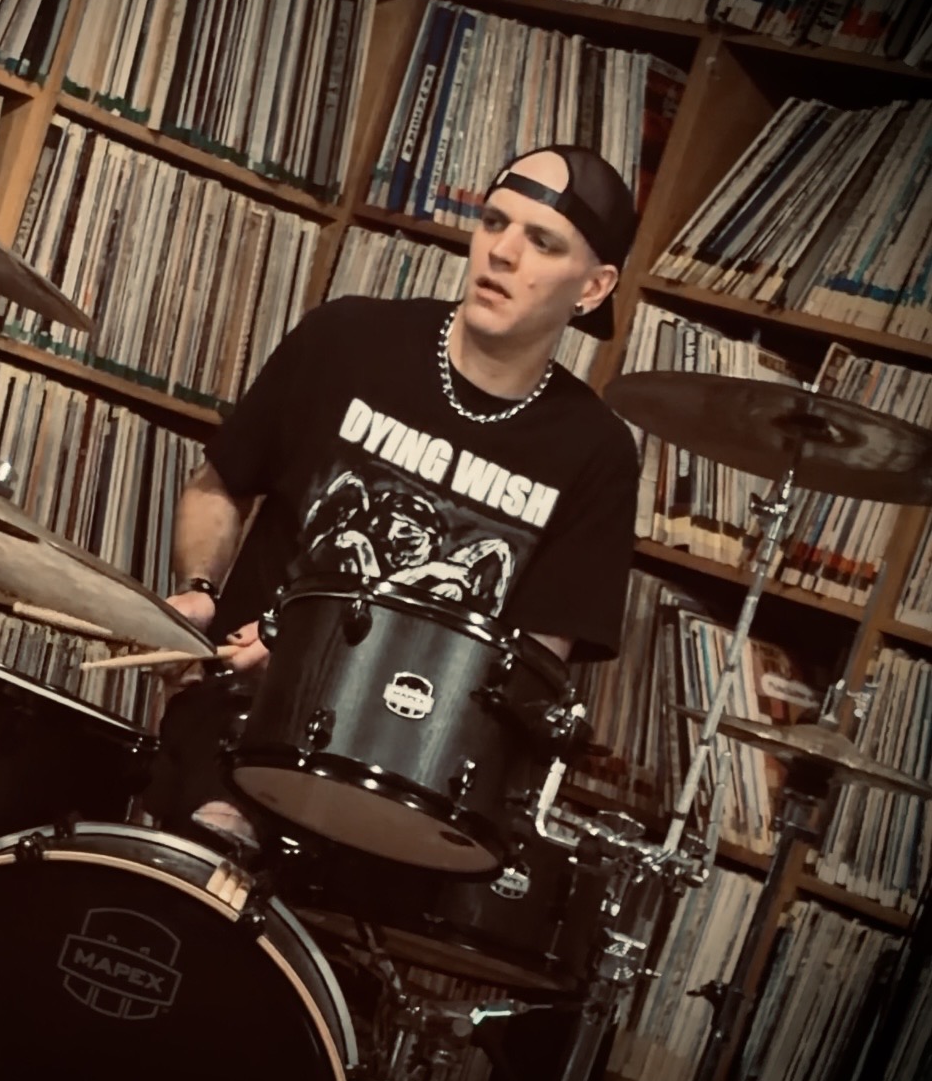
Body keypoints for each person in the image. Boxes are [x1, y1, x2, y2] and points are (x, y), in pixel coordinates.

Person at [147, 143, 642, 848]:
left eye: (542, 242)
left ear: (592, 287)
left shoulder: (595, 451)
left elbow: (528, 666)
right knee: (208, 854)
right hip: (239, 725)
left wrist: (308, 655)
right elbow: (218, 485)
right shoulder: (346, 340)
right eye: (494, 222)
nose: (502, 253)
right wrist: (199, 590)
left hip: (409, 774)